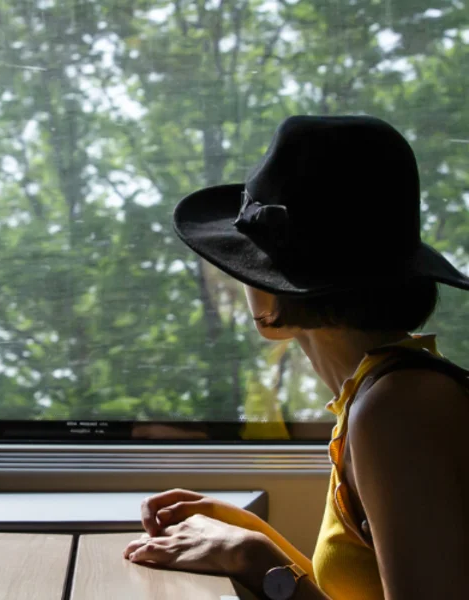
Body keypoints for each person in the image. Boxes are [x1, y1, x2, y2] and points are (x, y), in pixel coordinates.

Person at [122, 115, 469, 599]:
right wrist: (254, 537)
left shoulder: (398, 410)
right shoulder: (386, 392)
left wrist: (253, 557)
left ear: (273, 292)